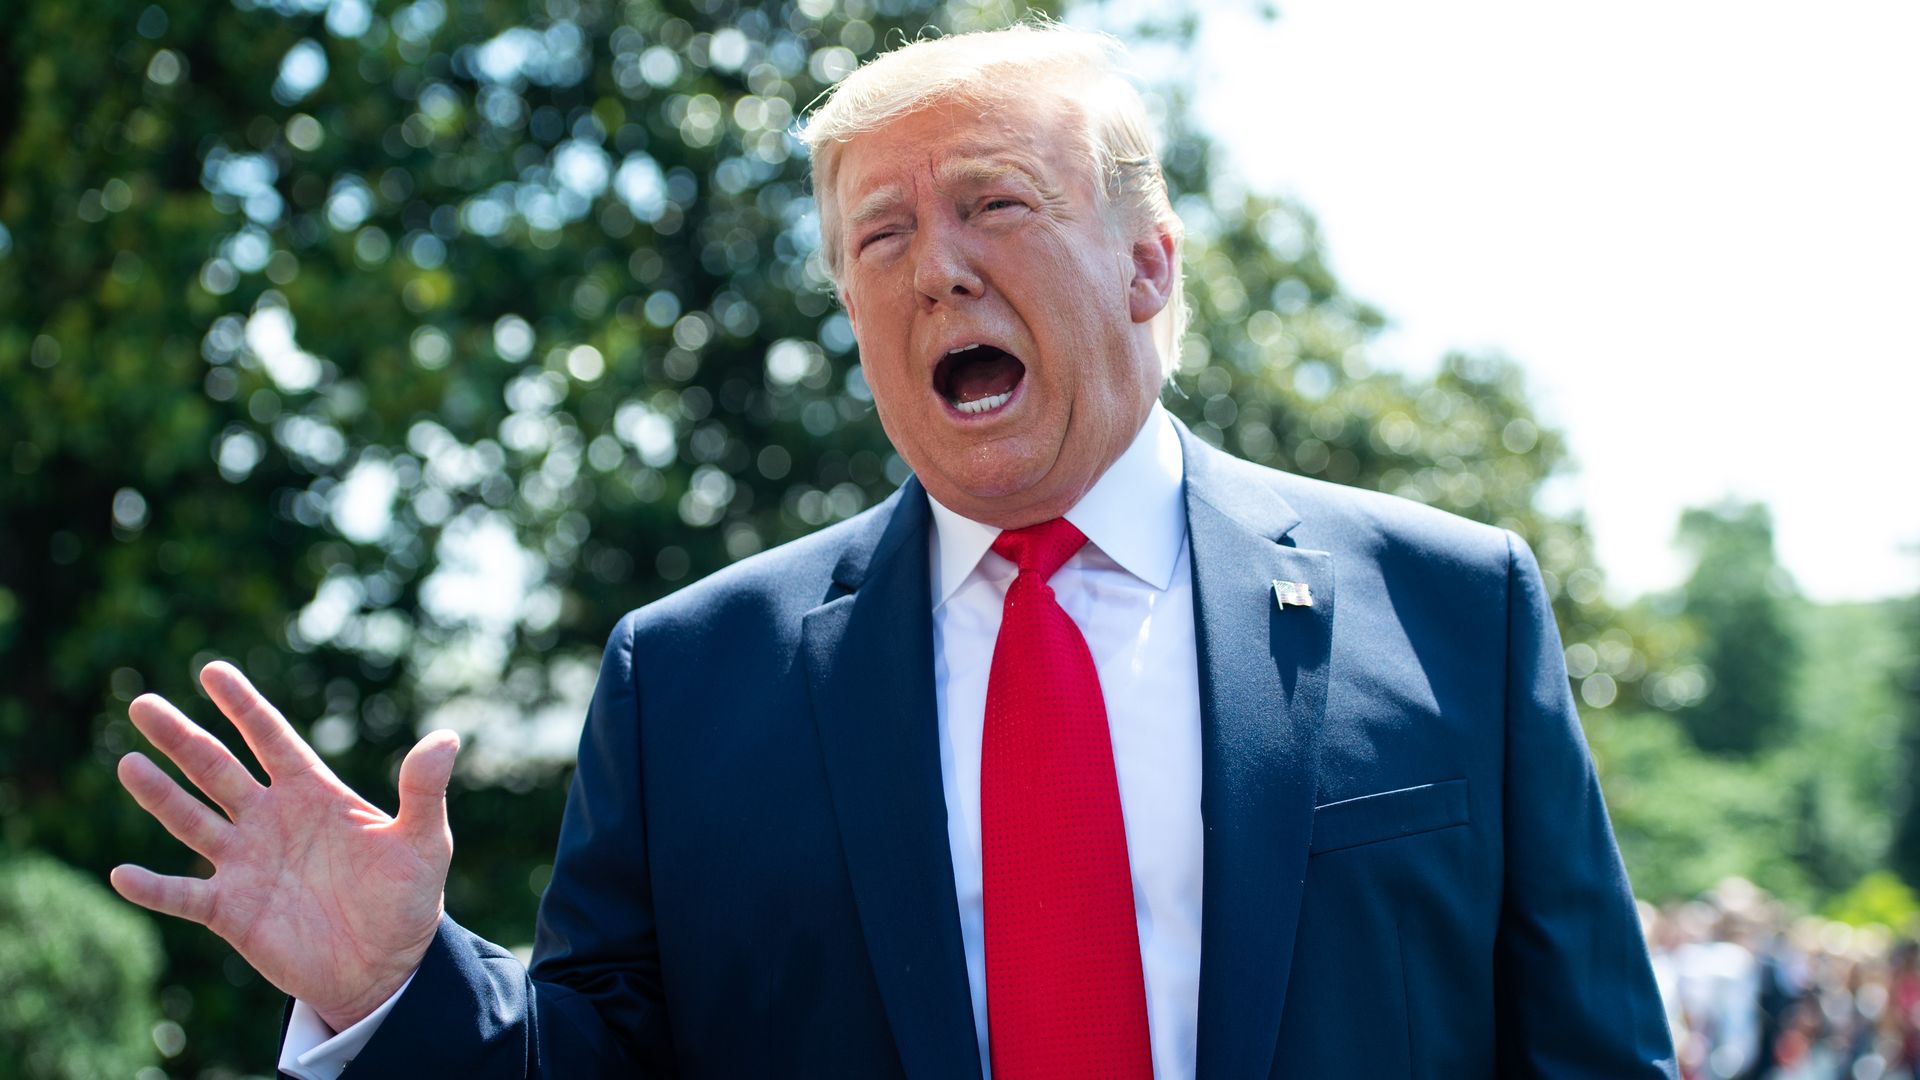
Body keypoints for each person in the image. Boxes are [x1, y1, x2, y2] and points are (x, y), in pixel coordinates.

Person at [110, 22, 1678, 1079]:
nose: (936, 270)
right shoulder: (691, 679)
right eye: (879, 237)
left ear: (1146, 265)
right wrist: (390, 991)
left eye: (994, 205)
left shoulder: (1453, 606)